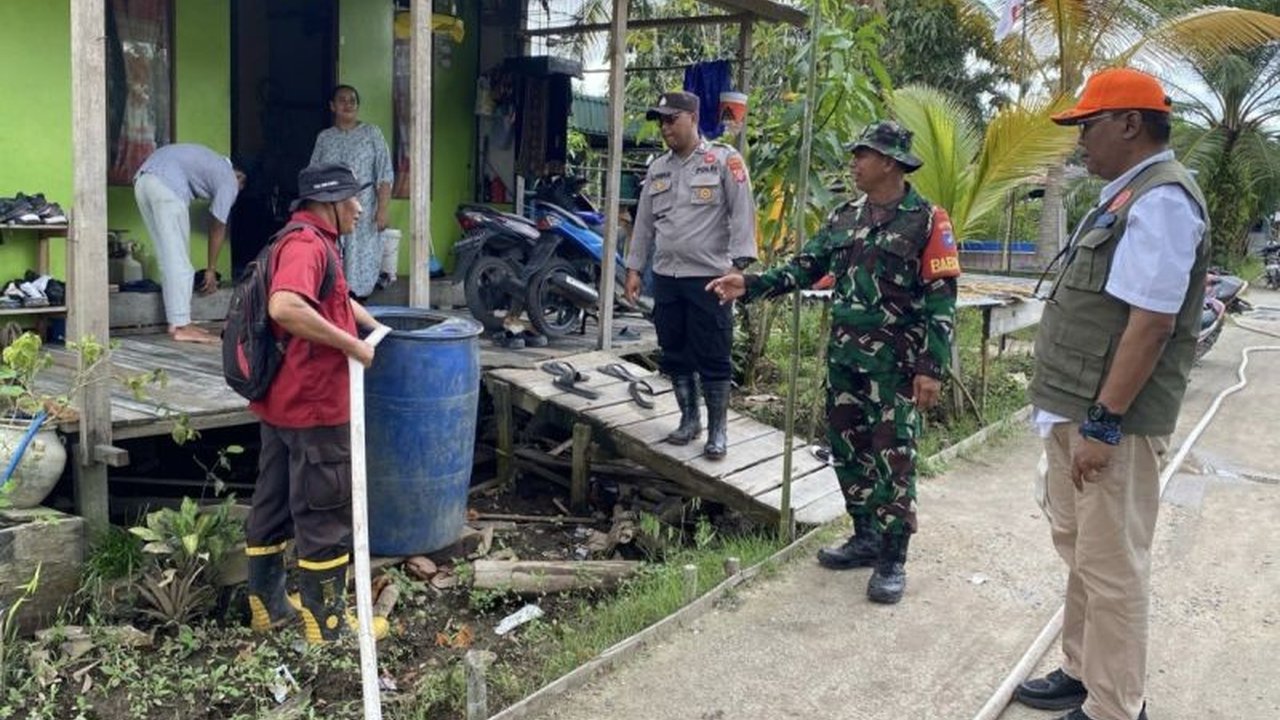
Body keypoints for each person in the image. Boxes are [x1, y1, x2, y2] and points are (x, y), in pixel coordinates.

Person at [1013, 68, 1207, 720]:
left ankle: (1116, 707)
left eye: (1087, 126)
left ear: (1128, 123)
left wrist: (1103, 423)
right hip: (1076, 408)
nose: (1080, 142)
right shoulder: (1123, 196)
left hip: (1109, 422)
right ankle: (1082, 671)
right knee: (1083, 554)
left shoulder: (1162, 200)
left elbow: (1150, 324)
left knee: (1113, 565)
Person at [707, 120, 960, 604]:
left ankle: (893, 557)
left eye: (862, 154)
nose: (854, 163)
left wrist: (931, 368)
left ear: (889, 162)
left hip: (895, 368)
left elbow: (942, 300)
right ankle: (865, 535)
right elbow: (807, 268)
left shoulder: (927, 220)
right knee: (848, 449)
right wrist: (751, 284)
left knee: (894, 457)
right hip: (845, 362)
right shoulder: (845, 216)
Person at [242, 162, 390, 645]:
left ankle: (268, 607)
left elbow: (334, 300)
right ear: (329, 202)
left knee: (272, 500)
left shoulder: (298, 238)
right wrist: (352, 346)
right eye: (352, 199)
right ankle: (327, 626)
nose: (360, 208)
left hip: (282, 402)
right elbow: (285, 305)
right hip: (315, 405)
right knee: (325, 509)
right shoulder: (308, 246)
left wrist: (371, 326)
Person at [622, 91, 757, 459]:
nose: (665, 127)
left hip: (710, 278)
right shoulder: (657, 168)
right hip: (666, 277)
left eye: (672, 119)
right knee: (675, 352)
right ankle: (689, 420)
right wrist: (634, 268)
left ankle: (718, 431)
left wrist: (739, 267)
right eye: (661, 121)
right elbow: (644, 225)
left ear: (693, 118)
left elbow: (743, 213)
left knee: (714, 355)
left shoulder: (724, 161)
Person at [134, 143, 246, 343]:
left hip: (143, 181)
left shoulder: (212, 162)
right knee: (180, 263)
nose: (235, 194)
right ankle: (181, 326)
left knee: (167, 258)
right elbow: (218, 225)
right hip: (167, 185)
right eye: (240, 188)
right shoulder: (229, 178)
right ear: (239, 177)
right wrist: (211, 269)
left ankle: (177, 322)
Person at [310, 84, 394, 299]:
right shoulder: (325, 138)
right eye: (342, 100)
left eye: (352, 101)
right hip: (331, 210)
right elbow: (314, 175)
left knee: (362, 261)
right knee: (332, 257)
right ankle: (335, 300)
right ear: (332, 106)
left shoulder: (372, 133)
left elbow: (385, 173)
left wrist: (383, 209)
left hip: (364, 208)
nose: (348, 104)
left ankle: (359, 301)